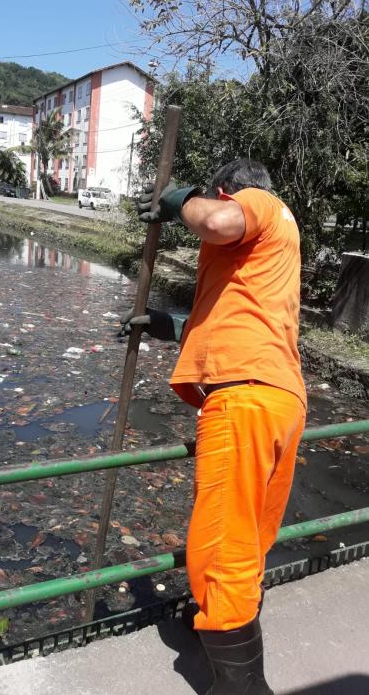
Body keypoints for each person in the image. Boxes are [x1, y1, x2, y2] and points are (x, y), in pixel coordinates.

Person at [122, 159, 307, 694]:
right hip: (279, 396)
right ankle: (216, 621)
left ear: (228, 191)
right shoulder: (278, 238)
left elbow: (218, 224)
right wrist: (170, 325)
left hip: (244, 398)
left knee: (221, 546)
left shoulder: (257, 205)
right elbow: (242, 315)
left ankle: (244, 687)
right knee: (247, 539)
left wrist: (181, 199)